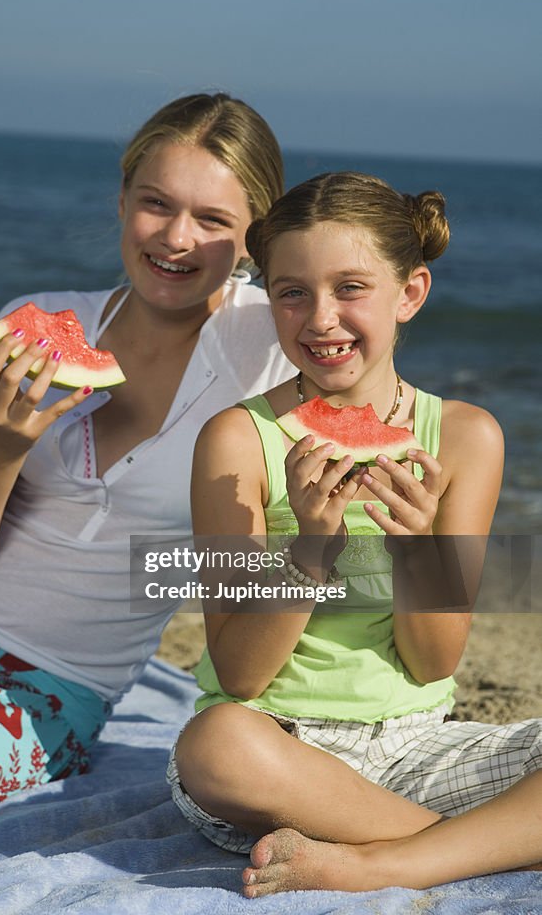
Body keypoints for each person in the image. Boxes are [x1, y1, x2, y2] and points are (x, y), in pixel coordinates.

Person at [0, 92, 296, 839]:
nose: (177, 238)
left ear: (257, 234)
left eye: (213, 219)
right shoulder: (41, 318)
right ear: (121, 198)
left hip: (49, 685)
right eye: (155, 203)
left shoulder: (279, 354)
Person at [169, 171, 542, 897]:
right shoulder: (237, 441)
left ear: (409, 293)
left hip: (417, 745)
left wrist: (417, 552)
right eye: (291, 292)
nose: (320, 318)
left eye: (350, 288)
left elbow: (433, 665)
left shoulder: (466, 438)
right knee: (211, 744)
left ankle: (377, 860)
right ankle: (477, 846)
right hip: (276, 751)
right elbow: (239, 675)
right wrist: (310, 549)